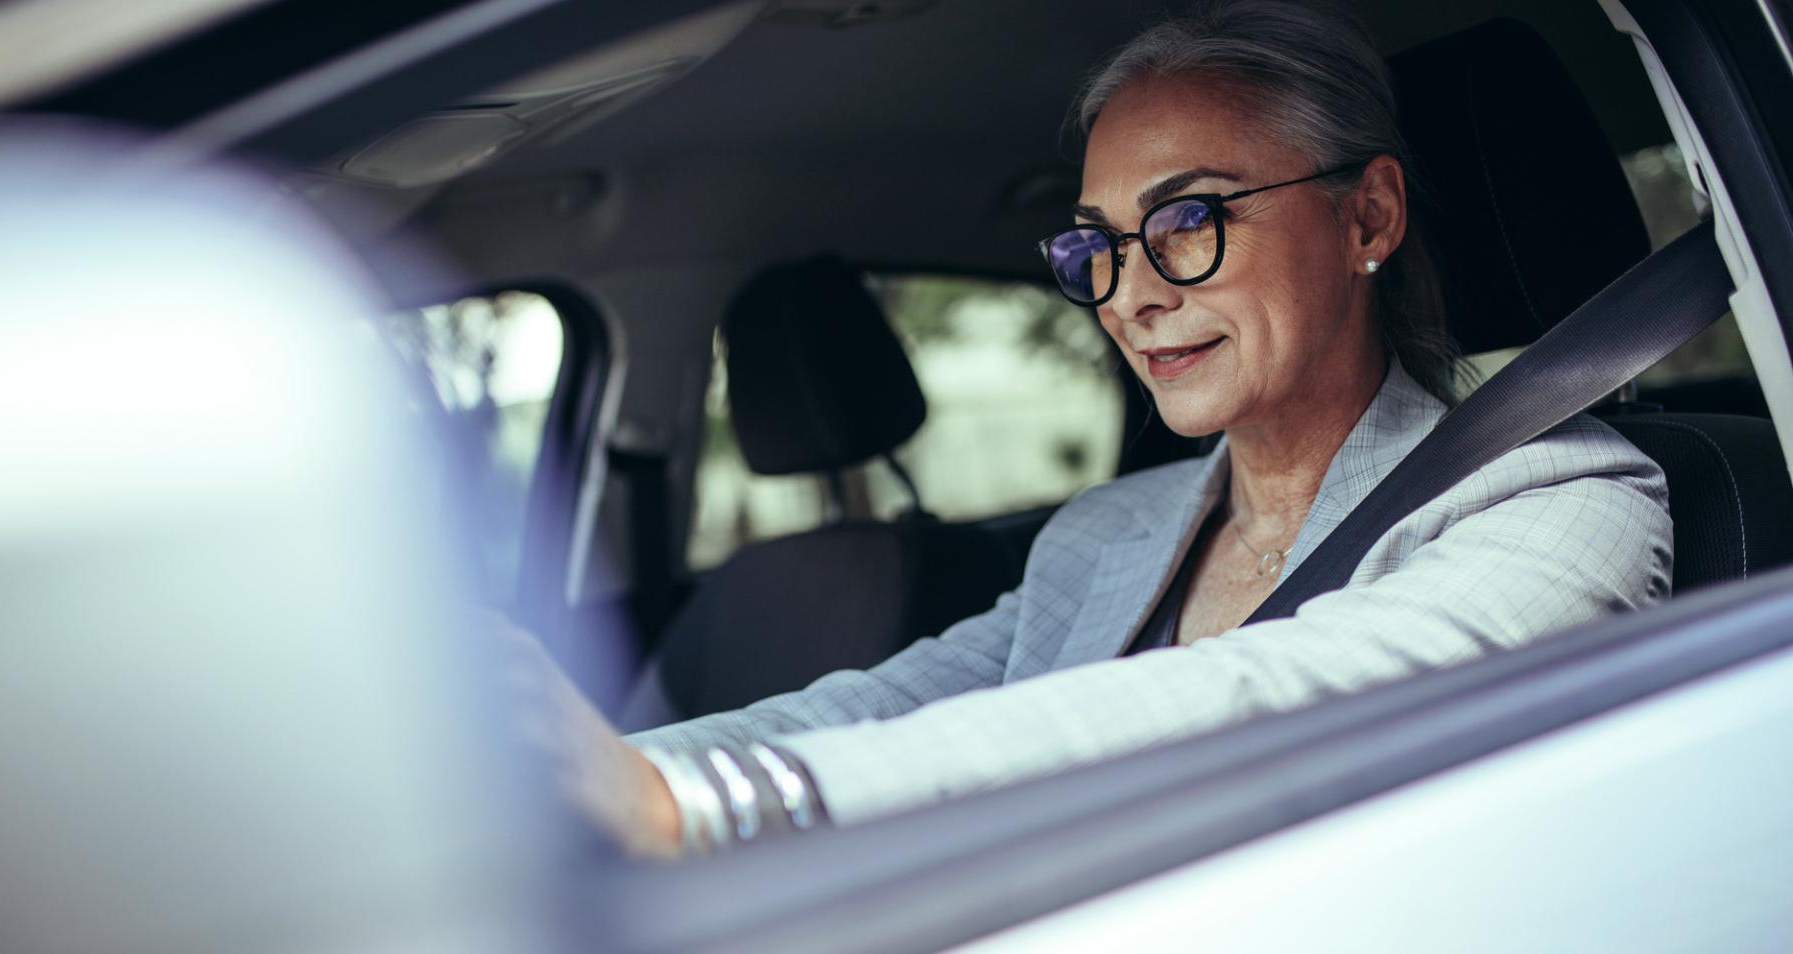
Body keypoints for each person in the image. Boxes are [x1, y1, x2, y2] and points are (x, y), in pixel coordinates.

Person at [513, 0, 1671, 858]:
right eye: (1096, 246)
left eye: (1188, 220)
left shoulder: (1566, 500)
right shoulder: (1105, 531)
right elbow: (891, 701)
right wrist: (597, 771)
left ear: (1367, 215)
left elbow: (1280, 699)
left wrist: (716, 807)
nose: (1128, 294)